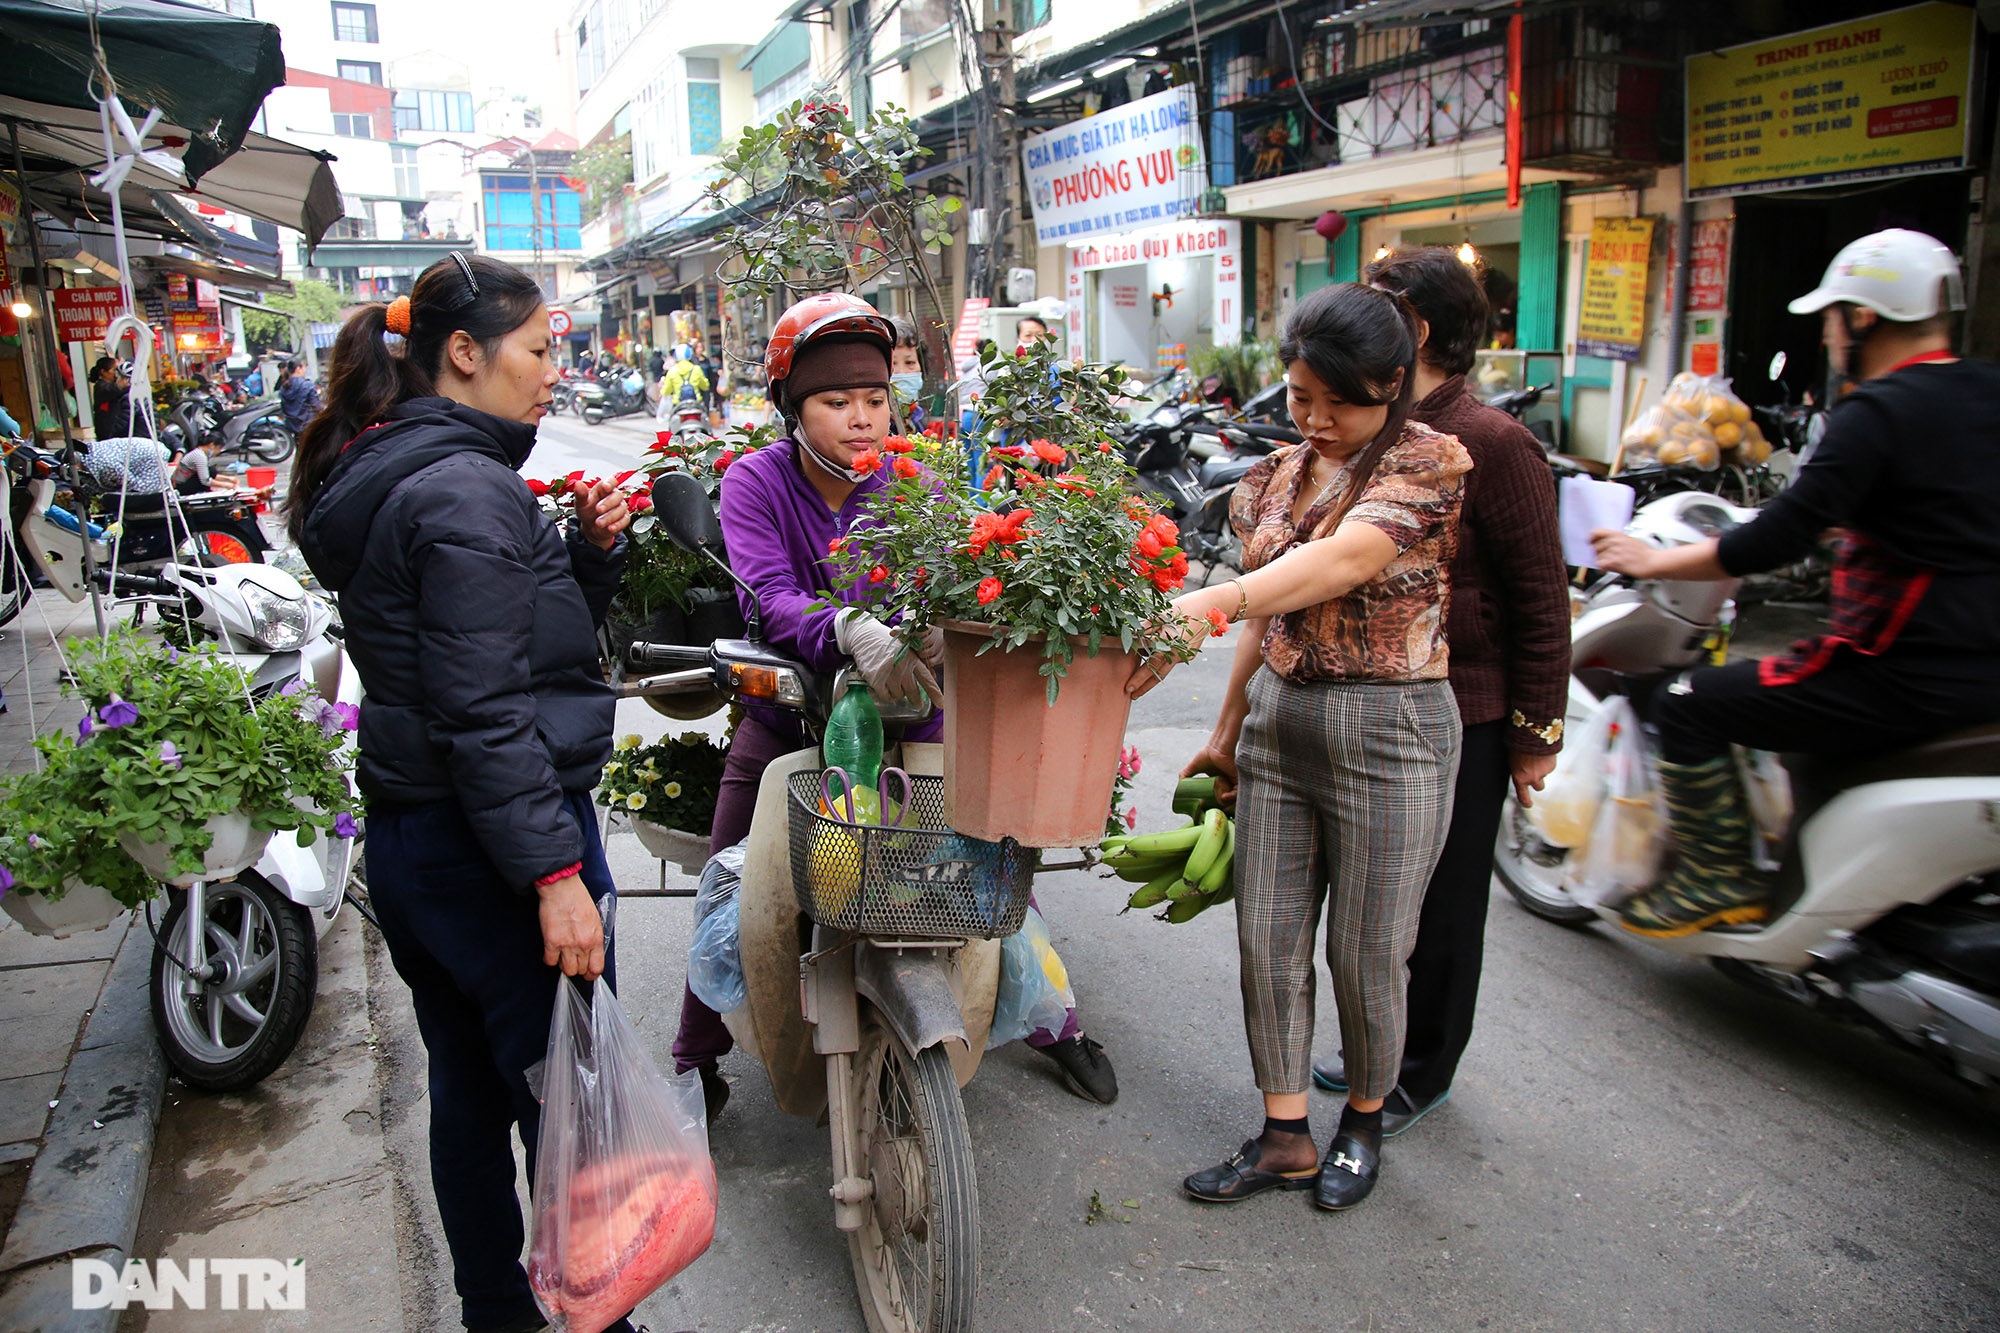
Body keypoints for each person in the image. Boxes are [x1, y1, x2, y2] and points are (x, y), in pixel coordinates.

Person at [290, 252, 638, 1333]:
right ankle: (596, 1318)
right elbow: (488, 713)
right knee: (567, 1103)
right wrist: (554, 876)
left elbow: (484, 652)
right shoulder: (464, 489)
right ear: (462, 353)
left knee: (471, 1094)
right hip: (493, 846)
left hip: (420, 842)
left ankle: (497, 1312)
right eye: (538, 350)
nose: (552, 373)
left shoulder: (391, 466)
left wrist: (584, 560)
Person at [671, 291, 1119, 1117]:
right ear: (793, 408)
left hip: (917, 715)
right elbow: (765, 595)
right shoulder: (754, 482)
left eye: (875, 398)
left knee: (987, 870)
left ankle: (1060, 1024)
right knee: (738, 878)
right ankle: (695, 1055)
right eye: (836, 401)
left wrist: (948, 630)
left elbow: (962, 570)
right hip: (792, 720)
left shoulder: (912, 478)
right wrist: (844, 624)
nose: (862, 418)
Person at [1129, 282, 1471, 1213]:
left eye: (1337, 402)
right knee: (1268, 938)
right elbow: (1270, 601)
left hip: (1391, 731)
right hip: (1281, 721)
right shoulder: (1277, 475)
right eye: (1299, 398)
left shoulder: (1428, 461)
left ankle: (1361, 1118)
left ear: (1393, 384)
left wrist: (1206, 603)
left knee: (1366, 952)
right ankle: (1284, 1132)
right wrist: (1226, 729)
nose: (1314, 420)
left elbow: (1348, 559)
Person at [1591, 228, 2000, 937]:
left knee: (1689, 701)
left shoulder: (1876, 411)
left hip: (1905, 670)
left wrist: (1650, 560)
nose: (1830, 334)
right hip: (1983, 665)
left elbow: (1774, 537)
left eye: (1834, 317)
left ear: (1863, 318)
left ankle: (1716, 877)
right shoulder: (1987, 390)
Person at [1302, 248, 1570, 1134]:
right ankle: (1382, 1052)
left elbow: (1541, 599)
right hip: (1371, 702)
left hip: (1470, 710)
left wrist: (1537, 734)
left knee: (1445, 905)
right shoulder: (1372, 430)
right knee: (1378, 901)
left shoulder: (1492, 441)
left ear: (1414, 329)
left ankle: (1423, 1068)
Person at [89, 357, 148, 440]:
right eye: (114, 370)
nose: (116, 373)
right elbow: (111, 391)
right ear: (103, 372)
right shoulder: (101, 387)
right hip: (107, 431)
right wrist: (120, 385)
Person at [889, 317, 930, 433]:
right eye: (892, 363)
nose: (901, 372)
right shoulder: (871, 426)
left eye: (910, 362)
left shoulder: (917, 418)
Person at [656, 345, 710, 419]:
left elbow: (666, 390)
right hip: (695, 403)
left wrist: (662, 392)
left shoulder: (672, 371)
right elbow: (705, 386)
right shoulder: (696, 369)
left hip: (678, 405)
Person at [278, 360, 321, 434]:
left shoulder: (283, 387)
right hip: (308, 425)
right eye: (304, 367)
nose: (305, 370)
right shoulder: (307, 385)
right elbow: (316, 406)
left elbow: (283, 408)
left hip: (292, 427)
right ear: (298, 369)